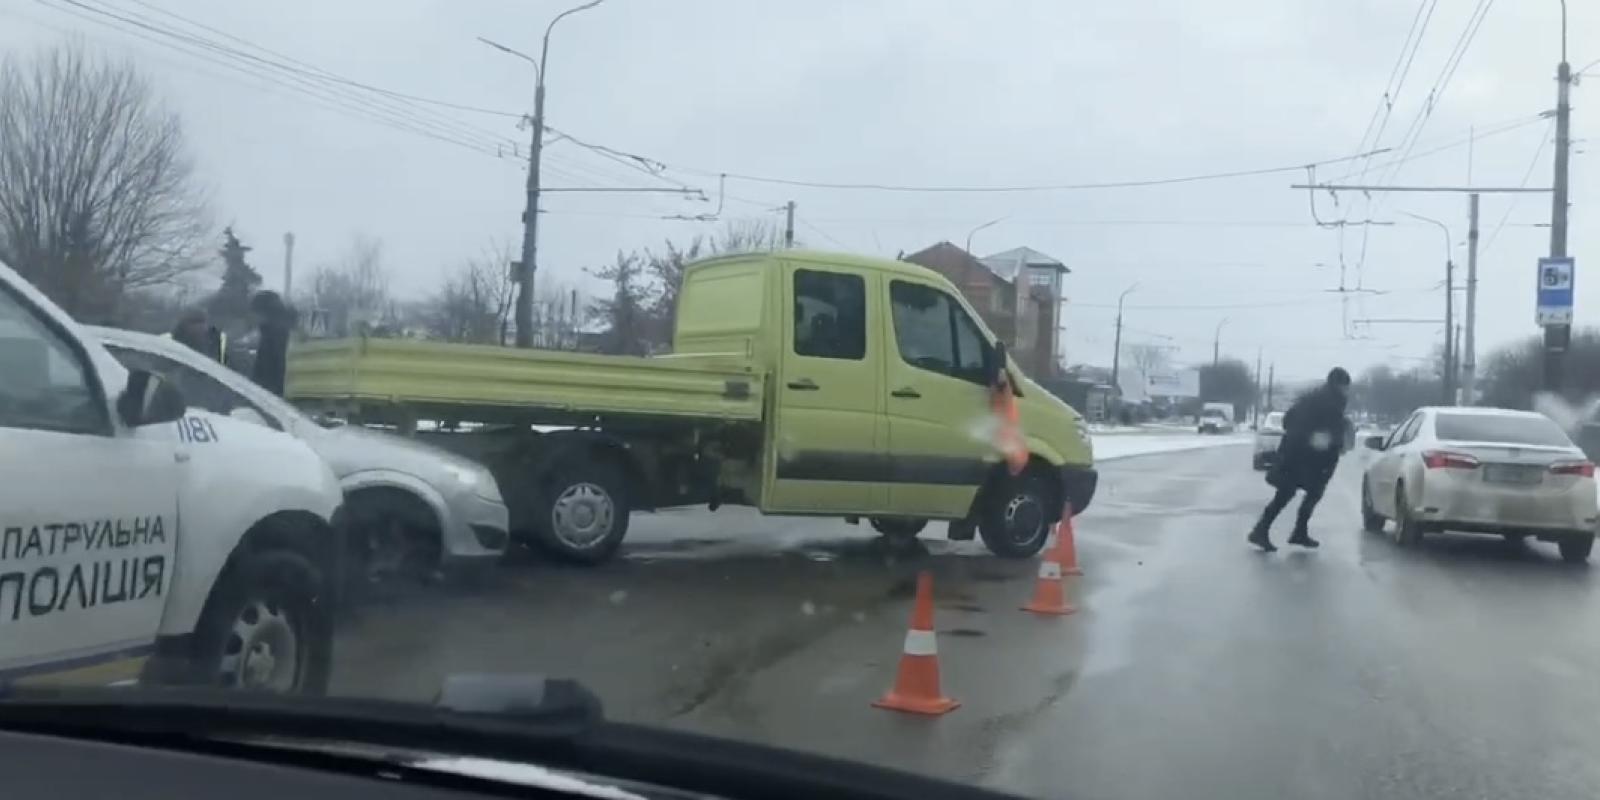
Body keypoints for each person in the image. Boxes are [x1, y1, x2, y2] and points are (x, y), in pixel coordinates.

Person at [1248, 366, 1352, 552]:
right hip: (1311, 458)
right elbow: (1330, 433)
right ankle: (1284, 531)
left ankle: (1277, 531)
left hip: (1295, 453)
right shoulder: (1332, 403)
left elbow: (1287, 420)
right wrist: (1332, 443)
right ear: (1339, 385)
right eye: (1346, 386)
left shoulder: (1311, 398)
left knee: (1287, 493)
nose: (1347, 391)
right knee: (1311, 493)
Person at [250, 290, 297, 397]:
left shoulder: (274, 334)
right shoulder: (280, 330)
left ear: (264, 312)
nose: (254, 317)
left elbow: (269, 369)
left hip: (271, 398)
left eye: (255, 312)